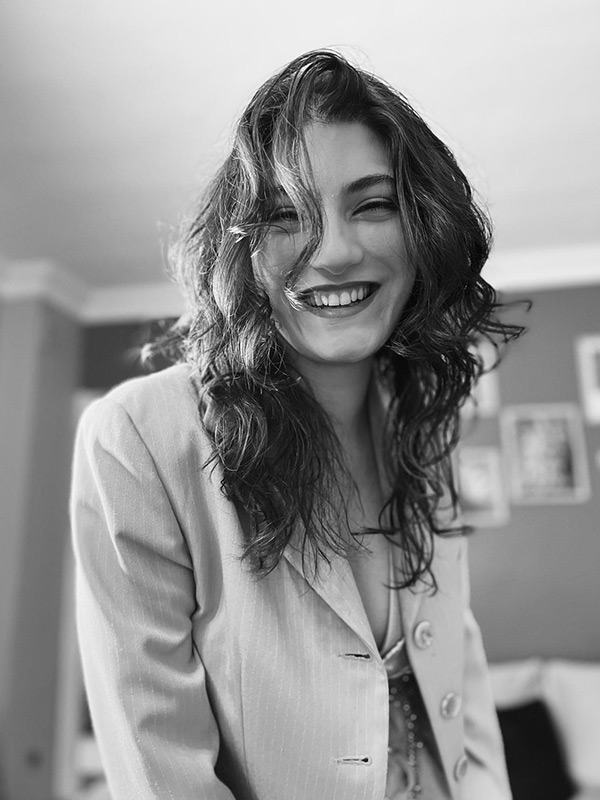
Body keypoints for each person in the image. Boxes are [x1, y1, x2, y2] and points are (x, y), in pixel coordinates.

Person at [71, 49, 525, 800]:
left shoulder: (422, 429)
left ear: (423, 227)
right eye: (285, 215)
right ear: (242, 251)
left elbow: (459, 673)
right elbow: (159, 770)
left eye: (372, 205)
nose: (335, 251)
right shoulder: (140, 438)